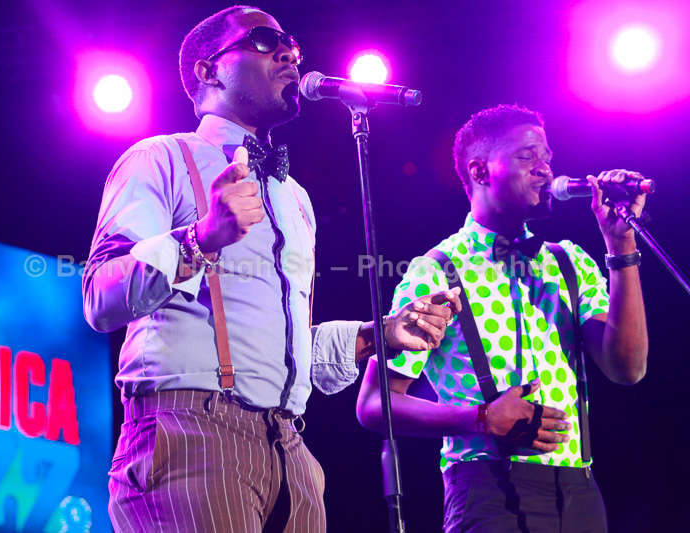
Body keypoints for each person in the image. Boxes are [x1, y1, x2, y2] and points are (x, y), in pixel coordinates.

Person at [82, 6, 459, 532]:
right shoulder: (160, 158)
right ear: (208, 71)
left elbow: (291, 349)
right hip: (190, 433)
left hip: (290, 449)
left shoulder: (294, 198)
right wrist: (200, 238)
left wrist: (382, 335)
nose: (288, 53)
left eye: (292, 45)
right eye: (263, 41)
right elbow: (100, 297)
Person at [356, 104, 648, 532]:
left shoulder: (569, 262)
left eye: (547, 157)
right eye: (527, 156)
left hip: (581, 492)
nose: (545, 169)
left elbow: (628, 368)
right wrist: (480, 419)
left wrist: (621, 248)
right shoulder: (438, 269)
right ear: (480, 171)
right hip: (485, 489)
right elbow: (374, 403)